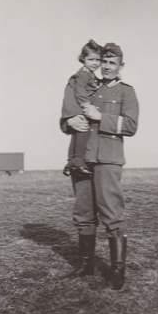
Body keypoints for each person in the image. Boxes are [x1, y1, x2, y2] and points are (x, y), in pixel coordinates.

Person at [60, 42, 139, 289]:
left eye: (111, 63)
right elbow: (66, 121)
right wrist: (68, 121)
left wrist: (100, 117)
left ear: (120, 66)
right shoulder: (87, 86)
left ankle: (117, 271)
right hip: (83, 157)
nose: (106, 67)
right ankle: (86, 265)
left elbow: (131, 126)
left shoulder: (126, 92)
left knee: (112, 214)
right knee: (83, 214)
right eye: (103, 62)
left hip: (107, 159)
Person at [63, 39, 102, 177]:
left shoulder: (89, 74)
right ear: (83, 59)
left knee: (76, 134)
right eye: (91, 59)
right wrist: (86, 105)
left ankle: (71, 162)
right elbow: (80, 90)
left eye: (98, 60)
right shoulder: (83, 74)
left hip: (77, 107)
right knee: (83, 130)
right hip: (79, 106)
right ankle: (78, 161)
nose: (95, 63)